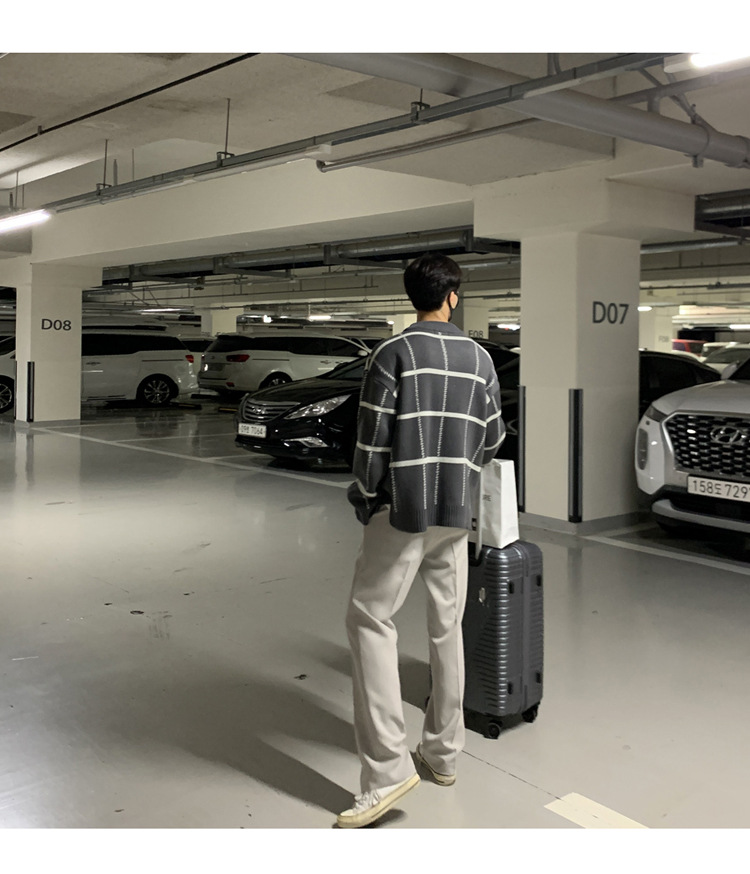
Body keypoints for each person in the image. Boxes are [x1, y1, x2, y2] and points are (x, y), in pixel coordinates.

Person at [338, 252, 504, 828]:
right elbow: (493, 436)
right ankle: (443, 754)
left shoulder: (393, 353)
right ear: (452, 296)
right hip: (456, 513)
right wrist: (459, 470)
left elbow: (371, 440)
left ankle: (386, 771)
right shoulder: (480, 358)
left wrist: (366, 495)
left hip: (402, 509)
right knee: (446, 625)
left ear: (414, 297)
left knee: (369, 619)